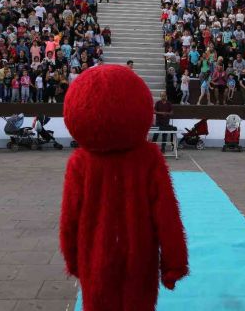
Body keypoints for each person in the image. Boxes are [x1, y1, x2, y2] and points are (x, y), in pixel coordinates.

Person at [60, 65, 188, 311]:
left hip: (94, 257)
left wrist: (73, 259)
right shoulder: (149, 158)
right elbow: (167, 215)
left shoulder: (80, 162)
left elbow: (69, 219)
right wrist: (174, 263)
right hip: (139, 258)